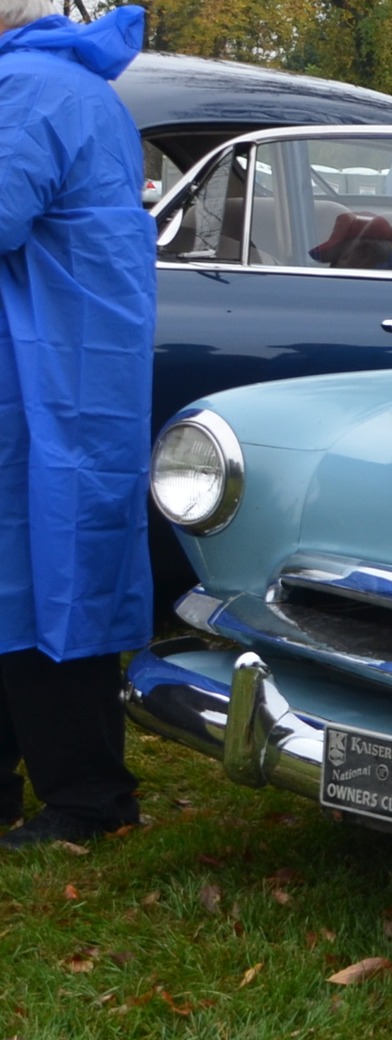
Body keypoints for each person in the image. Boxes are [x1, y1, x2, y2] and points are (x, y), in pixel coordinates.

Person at [0, 0, 157, 848]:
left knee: (43, 572)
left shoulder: (27, 87)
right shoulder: (72, 84)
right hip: (61, 369)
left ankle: (86, 799)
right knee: (41, 568)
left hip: (45, 379)